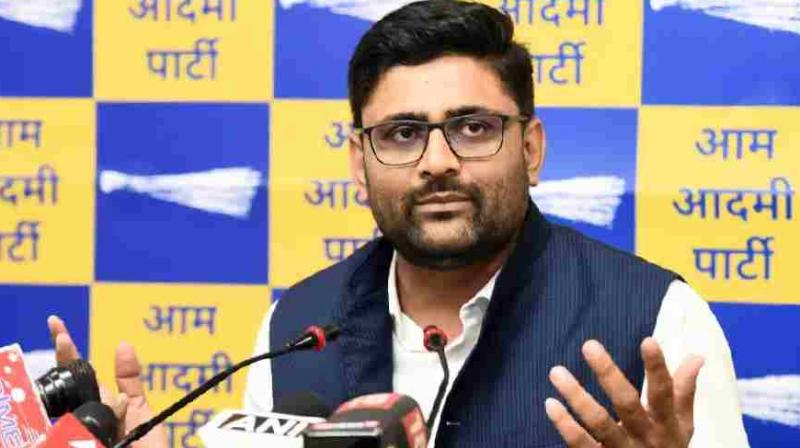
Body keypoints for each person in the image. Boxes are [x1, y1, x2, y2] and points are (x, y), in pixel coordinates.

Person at [49, 1, 748, 447]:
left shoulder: (658, 320)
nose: (437, 162)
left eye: (474, 128)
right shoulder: (297, 327)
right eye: (403, 134)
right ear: (359, 163)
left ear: (531, 149)